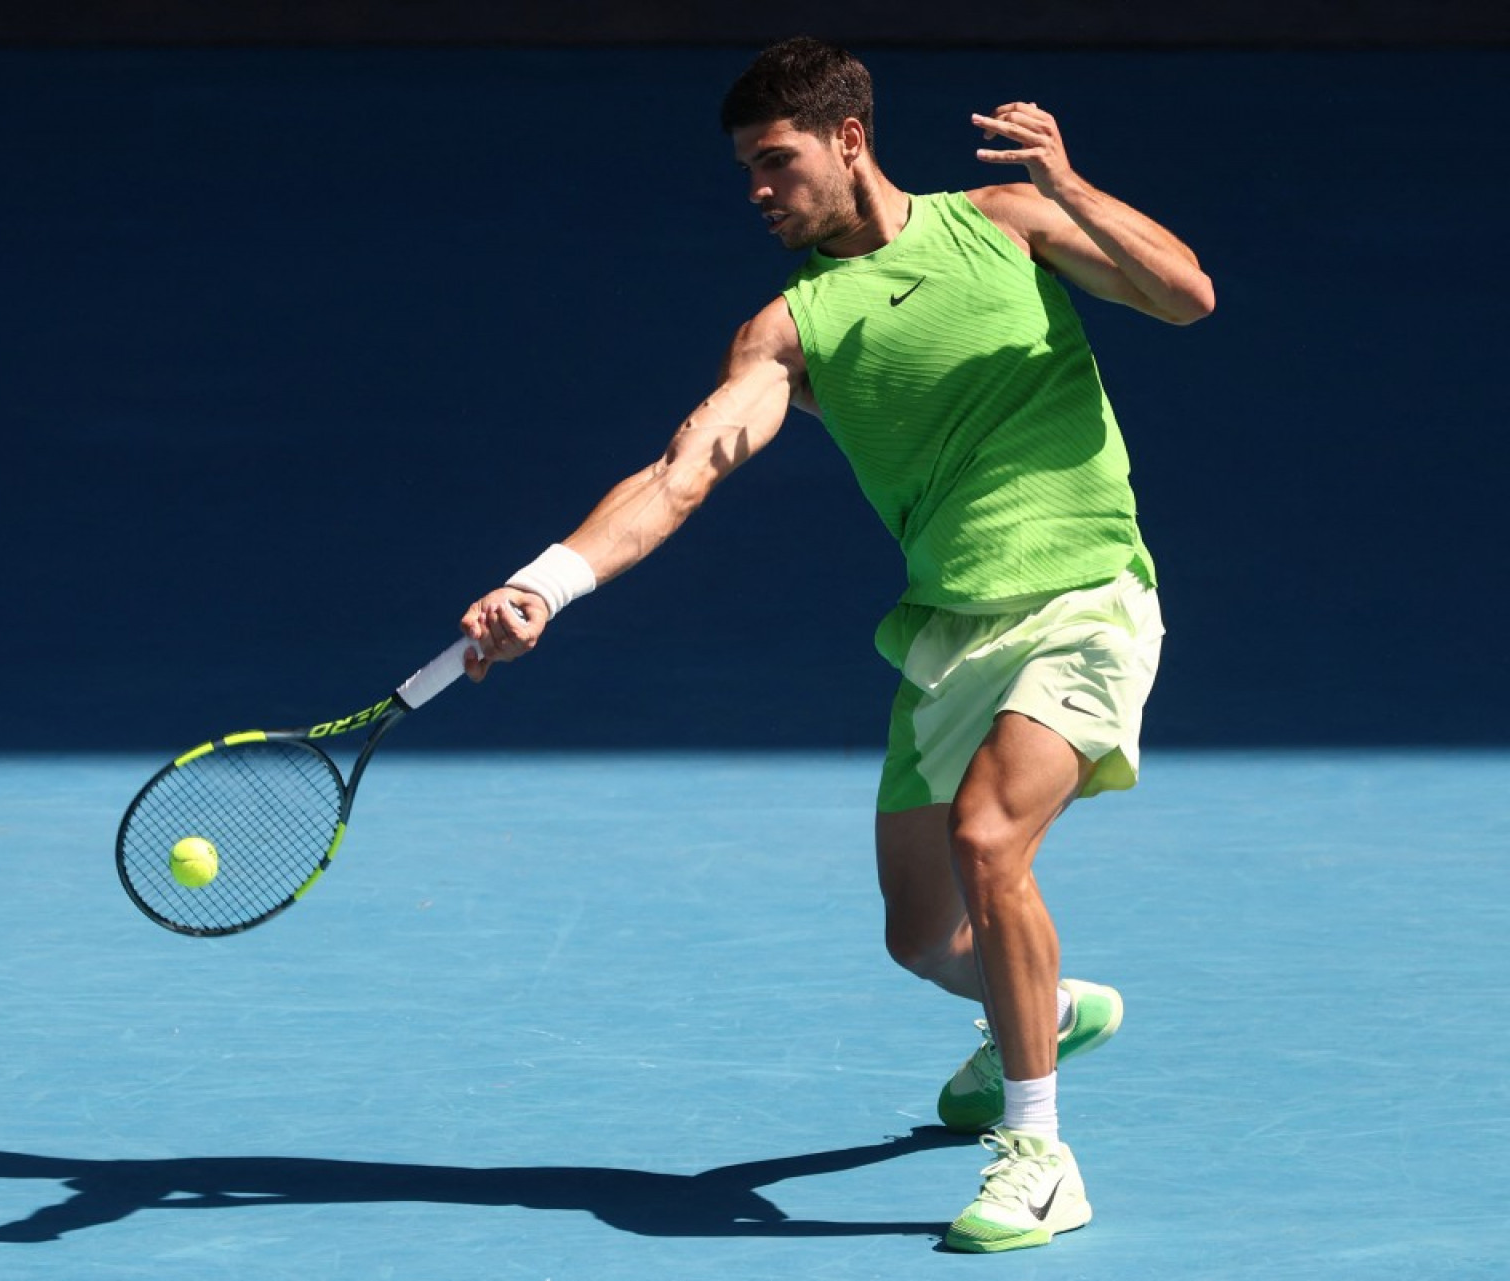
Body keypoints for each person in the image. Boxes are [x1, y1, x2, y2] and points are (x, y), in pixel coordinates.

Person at [456, 36, 1213, 1254]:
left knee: (987, 838)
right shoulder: (790, 330)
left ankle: (1040, 1152)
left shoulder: (1007, 221)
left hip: (1086, 595)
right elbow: (681, 471)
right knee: (921, 935)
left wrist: (1071, 185)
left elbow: (1185, 295)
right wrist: (545, 583)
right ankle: (1046, 1008)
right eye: (747, 171)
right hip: (945, 629)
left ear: (849, 139)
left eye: (777, 162)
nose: (759, 191)